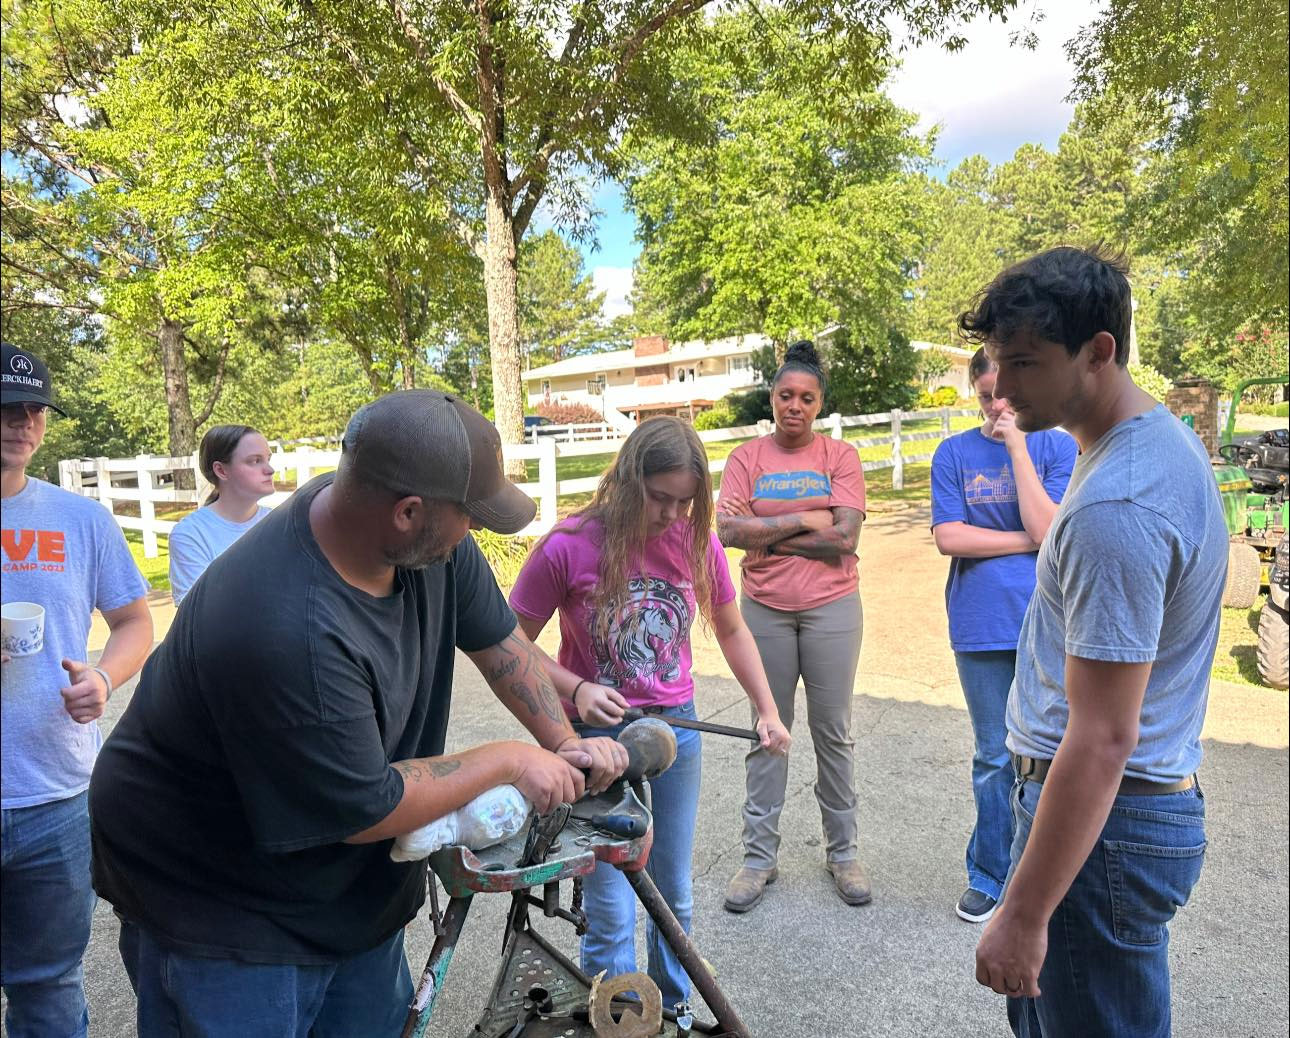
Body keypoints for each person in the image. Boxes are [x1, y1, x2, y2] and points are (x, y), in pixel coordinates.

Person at [89, 389, 628, 1036]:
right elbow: (365, 807)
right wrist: (507, 759)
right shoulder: (284, 627)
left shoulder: (399, 525)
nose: (474, 534)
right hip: (214, 896)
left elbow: (499, 642)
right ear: (407, 512)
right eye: (470, 518)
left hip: (342, 879)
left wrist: (564, 741)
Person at [962, 247, 1227, 1038]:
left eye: (1022, 364)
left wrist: (1023, 911)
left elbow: (1105, 735)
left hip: (1104, 832)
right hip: (1115, 824)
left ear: (1099, 351)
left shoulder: (1121, 503)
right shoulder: (1141, 445)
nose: (1001, 389)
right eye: (995, 364)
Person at [508, 416, 790, 1013]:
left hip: (676, 730)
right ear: (629, 479)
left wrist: (767, 710)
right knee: (609, 902)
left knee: (672, 891)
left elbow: (734, 630)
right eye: (659, 497)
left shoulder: (694, 540)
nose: (670, 513)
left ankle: (673, 1008)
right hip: (596, 741)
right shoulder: (569, 544)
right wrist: (577, 686)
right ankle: (619, 1017)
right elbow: (510, 643)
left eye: (684, 500)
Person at [1, 341, 154, 1038]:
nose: (22, 423)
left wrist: (101, 676)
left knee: (49, 986)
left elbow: (132, 622)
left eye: (34, 409)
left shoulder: (80, 519)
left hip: (55, 797)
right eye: (6, 407)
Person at [715, 340, 870, 912]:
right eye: (786, 395)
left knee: (834, 733)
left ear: (819, 403)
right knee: (767, 731)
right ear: (772, 398)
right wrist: (809, 517)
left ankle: (844, 853)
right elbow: (727, 531)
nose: (795, 406)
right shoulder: (746, 459)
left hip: (832, 609)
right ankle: (758, 859)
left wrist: (768, 525)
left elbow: (844, 539)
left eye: (806, 398)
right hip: (765, 610)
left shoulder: (840, 457)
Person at [930, 350, 1077, 924]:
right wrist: (1030, 538)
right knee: (994, 755)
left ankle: (1043, 875)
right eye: (988, 394)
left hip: (1048, 622)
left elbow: (1053, 529)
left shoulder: (1055, 446)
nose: (998, 405)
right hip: (980, 622)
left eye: (1007, 393)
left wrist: (1017, 445)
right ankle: (989, 874)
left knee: (1050, 751)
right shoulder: (953, 453)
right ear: (974, 391)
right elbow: (949, 537)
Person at [168, 424, 275, 604]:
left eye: (268, 459)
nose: (270, 470)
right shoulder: (191, 535)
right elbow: (199, 614)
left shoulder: (280, 523)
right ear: (221, 470)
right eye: (255, 461)